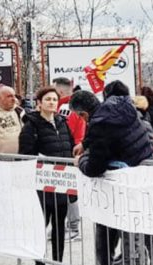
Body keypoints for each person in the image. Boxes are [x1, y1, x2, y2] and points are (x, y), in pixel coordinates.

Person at [71, 81, 153, 265]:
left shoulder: (100, 122)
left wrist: (82, 160)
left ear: (83, 114)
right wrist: (88, 144)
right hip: (141, 181)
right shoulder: (128, 111)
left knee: (130, 243)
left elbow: (95, 167)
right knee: (147, 236)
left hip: (123, 189)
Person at [18, 86, 77, 265]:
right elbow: (25, 153)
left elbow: (68, 145)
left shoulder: (62, 122)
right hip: (42, 183)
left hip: (61, 181)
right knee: (41, 225)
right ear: (39, 103)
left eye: (54, 99)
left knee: (59, 225)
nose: (52, 102)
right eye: (48, 99)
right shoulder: (31, 125)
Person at [53, 77, 85, 241]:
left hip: (67, 152)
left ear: (60, 91)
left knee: (68, 191)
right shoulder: (76, 105)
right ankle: (69, 227)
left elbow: (68, 130)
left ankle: (73, 228)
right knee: (66, 191)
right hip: (74, 150)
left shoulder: (63, 107)